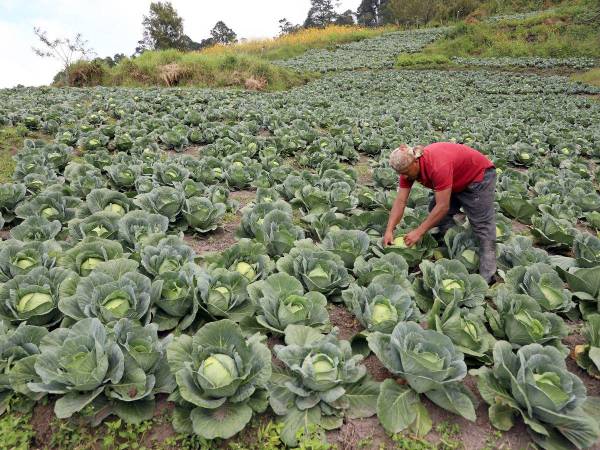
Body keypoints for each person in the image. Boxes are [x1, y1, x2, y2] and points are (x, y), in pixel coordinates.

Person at [383, 142, 497, 284]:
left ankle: (488, 276)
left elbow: (443, 207)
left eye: (406, 172)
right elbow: (400, 201)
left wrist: (419, 232)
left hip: (479, 176)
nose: (404, 177)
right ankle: (454, 244)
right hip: (455, 179)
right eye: (401, 174)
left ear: (416, 161)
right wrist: (389, 230)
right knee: (436, 214)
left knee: (483, 226)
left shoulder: (437, 166)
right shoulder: (406, 170)